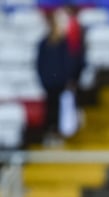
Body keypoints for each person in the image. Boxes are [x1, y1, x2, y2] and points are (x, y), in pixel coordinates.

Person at [35, 6, 84, 145]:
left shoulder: (67, 43)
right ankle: (51, 133)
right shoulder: (44, 43)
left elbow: (73, 62)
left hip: (63, 84)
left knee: (64, 110)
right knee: (51, 109)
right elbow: (39, 63)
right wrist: (44, 80)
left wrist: (70, 79)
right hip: (49, 84)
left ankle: (64, 133)